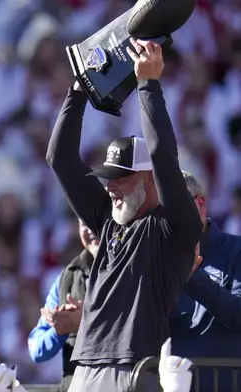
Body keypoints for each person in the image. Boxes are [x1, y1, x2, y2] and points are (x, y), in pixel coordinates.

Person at [45, 38, 202, 391]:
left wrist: (148, 84)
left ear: (149, 179)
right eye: (108, 178)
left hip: (134, 368)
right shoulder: (107, 217)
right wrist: (80, 89)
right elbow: (60, 159)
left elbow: (162, 154)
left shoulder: (174, 225)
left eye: (121, 178)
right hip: (84, 364)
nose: (110, 187)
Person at [170, 171, 241, 390]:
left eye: (174, 208)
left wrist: (194, 278)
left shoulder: (236, 251)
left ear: (200, 204)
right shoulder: (156, 259)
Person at [28, 219, 99, 391]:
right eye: (84, 223)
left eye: (98, 221)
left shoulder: (135, 272)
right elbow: (36, 348)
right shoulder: (67, 278)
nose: (90, 229)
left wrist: (88, 321)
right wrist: (59, 331)